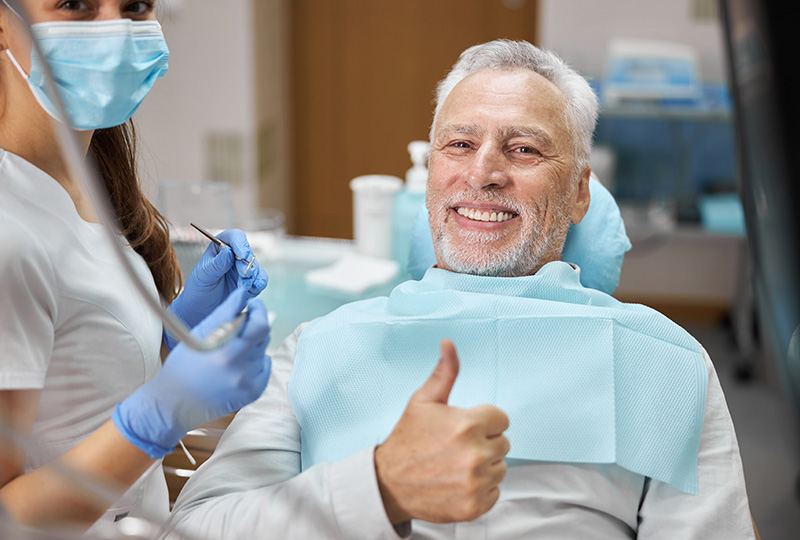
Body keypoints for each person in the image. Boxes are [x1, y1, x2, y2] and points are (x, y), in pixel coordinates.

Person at [165, 39, 755, 539]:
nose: (482, 174)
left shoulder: (661, 364)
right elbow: (197, 527)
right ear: (429, 179)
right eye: (460, 144)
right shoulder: (317, 350)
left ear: (579, 193)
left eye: (523, 149)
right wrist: (377, 487)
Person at [0, 0, 271, 534]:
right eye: (76, 5)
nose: (117, 30)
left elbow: (73, 391)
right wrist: (161, 414)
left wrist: (169, 344)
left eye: (135, 6)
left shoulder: (82, 175)